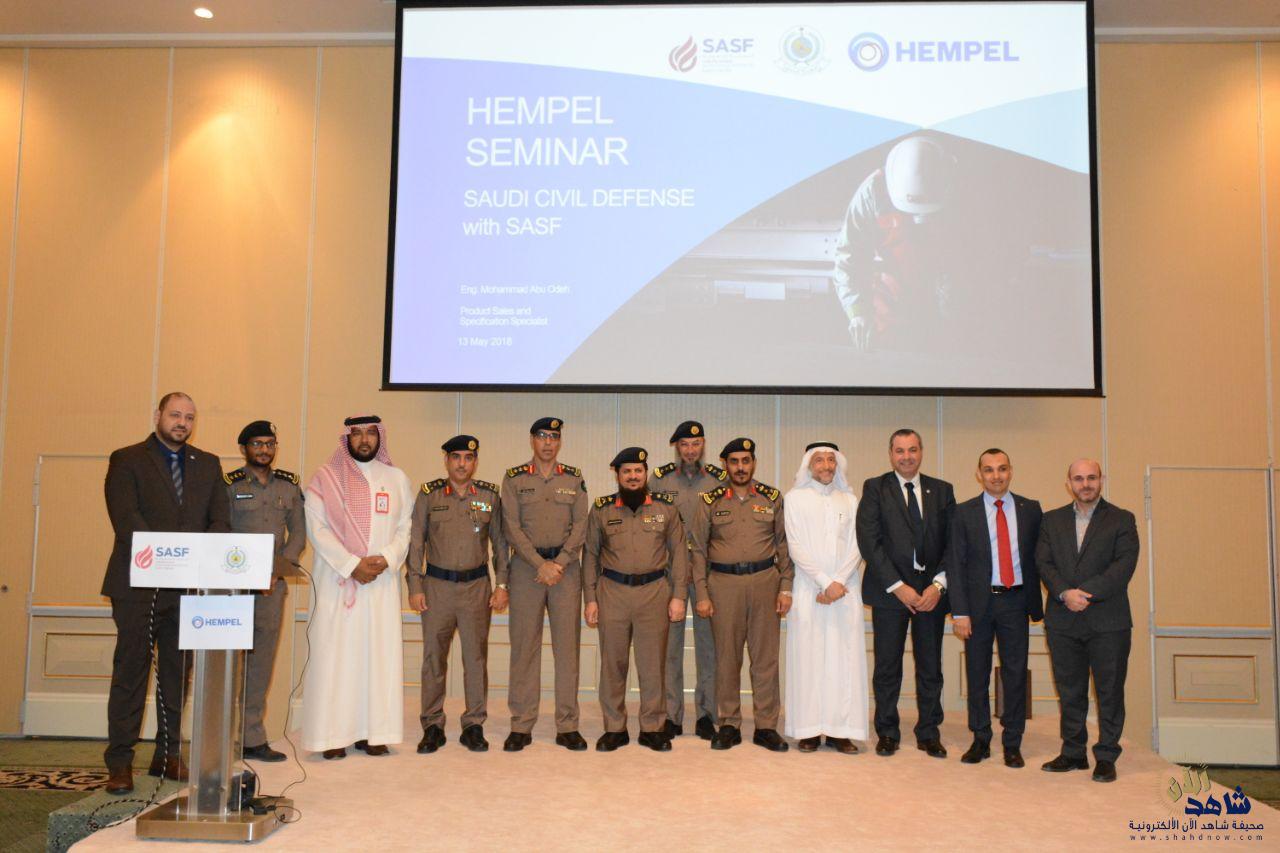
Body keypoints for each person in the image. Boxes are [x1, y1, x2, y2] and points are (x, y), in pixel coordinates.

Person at [101, 392, 230, 795]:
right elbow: (126, 519)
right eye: (175, 415)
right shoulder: (127, 459)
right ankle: (120, 762)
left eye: (189, 417)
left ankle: (168, 754)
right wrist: (169, 556)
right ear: (158, 415)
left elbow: (220, 522)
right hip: (137, 585)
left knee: (177, 672)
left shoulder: (208, 464)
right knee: (131, 673)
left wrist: (196, 560)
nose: (182, 423)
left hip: (187, 587)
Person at [302, 415, 414, 759]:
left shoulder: (396, 479)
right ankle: (332, 737)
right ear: (346, 438)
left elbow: (405, 528)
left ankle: (375, 733)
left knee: (378, 658)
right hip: (338, 584)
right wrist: (352, 565)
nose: (364, 440)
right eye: (357, 434)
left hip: (381, 584)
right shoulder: (325, 479)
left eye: (370, 433)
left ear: (380, 436)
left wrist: (386, 557)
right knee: (336, 659)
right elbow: (317, 530)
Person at [1036, 459, 1139, 783]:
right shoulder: (1051, 520)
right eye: (1079, 478)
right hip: (1063, 620)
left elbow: (1123, 566)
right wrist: (1065, 593)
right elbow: (1043, 562)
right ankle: (1073, 752)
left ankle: (1106, 756)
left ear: (1101, 480)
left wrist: (1085, 594)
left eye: (1091, 477)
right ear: (1069, 483)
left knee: (1109, 692)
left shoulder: (1122, 519)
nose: (1085, 484)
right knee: (1070, 691)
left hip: (1109, 622)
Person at [688, 437, 793, 752]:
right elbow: (698, 551)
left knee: (765, 660)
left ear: (754, 463)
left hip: (764, 583)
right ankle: (729, 724)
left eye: (746, 461)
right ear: (725, 464)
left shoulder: (772, 498)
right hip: (724, 585)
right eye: (734, 462)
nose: (741, 467)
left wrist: (786, 587)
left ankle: (766, 726)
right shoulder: (710, 500)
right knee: (727, 658)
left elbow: (784, 546)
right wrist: (702, 593)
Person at [855, 428, 954, 759]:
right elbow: (869, 541)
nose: (906, 456)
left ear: (921, 452)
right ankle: (887, 731)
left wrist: (938, 586)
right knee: (887, 667)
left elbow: (953, 543)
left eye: (912, 449)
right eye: (900, 450)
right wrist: (899, 587)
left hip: (931, 595)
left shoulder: (942, 490)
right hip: (890, 594)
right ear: (890, 454)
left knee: (930, 667)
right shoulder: (875, 488)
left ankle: (929, 732)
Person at [406, 435, 508, 755]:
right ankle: (432, 725)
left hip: (476, 588)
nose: (462, 463)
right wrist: (414, 586)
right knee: (433, 658)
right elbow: (416, 543)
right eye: (456, 457)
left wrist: (502, 585)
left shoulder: (489, 496)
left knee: (475, 659)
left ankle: (473, 724)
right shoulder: (429, 494)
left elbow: (500, 545)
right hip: (437, 587)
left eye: (468, 458)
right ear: (446, 461)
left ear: (475, 462)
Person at [583, 447, 689, 752]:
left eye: (638, 471)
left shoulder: (665, 508)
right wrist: (590, 599)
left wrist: (678, 596)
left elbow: (680, 555)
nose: (633, 476)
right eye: (627, 471)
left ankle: (652, 727)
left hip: (654, 592)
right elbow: (589, 555)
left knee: (653, 665)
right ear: (617, 475)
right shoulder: (602, 509)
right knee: (613, 664)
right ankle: (614, 728)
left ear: (645, 474)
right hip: (612, 592)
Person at [946, 448, 1042, 768]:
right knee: (977, 673)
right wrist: (960, 612)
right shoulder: (964, 512)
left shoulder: (1031, 509)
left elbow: (1040, 558)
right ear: (979, 474)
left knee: (1015, 673)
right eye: (989, 470)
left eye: (1002, 468)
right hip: (978, 605)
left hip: (1016, 601)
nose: (996, 475)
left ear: (1011, 471)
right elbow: (955, 564)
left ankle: (1012, 742)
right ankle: (981, 739)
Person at [500, 417, 590, 752]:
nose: (548, 442)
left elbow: (581, 525)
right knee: (524, 649)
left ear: (559, 441)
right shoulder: (514, 479)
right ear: (532, 440)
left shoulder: (574, 478)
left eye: (554, 437)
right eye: (542, 436)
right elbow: (511, 527)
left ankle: (568, 725)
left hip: (566, 572)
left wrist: (559, 563)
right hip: (527, 570)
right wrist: (541, 564)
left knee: (567, 651)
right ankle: (521, 724)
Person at [224, 420, 306, 764]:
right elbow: (219, 531)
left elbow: (298, 534)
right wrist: (242, 573)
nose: (264, 450)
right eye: (257, 444)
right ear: (244, 448)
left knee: (260, 664)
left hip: (272, 588)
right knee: (227, 663)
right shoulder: (229, 485)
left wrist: (275, 571)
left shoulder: (288, 486)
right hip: (232, 589)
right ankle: (221, 738)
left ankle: (252, 738)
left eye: (270, 444)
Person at [832, 134, 958, 352]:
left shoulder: (959, 188)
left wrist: (956, 309)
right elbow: (849, 256)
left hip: (948, 280)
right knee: (888, 351)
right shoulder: (873, 193)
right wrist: (857, 312)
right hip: (893, 286)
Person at [784, 442, 867, 754]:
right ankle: (808, 730)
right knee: (808, 660)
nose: (826, 466)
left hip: (845, 592)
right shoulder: (794, 499)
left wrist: (838, 582)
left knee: (843, 662)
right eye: (819, 460)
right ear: (809, 465)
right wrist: (823, 581)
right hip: (809, 590)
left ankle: (839, 731)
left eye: (831, 460)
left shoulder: (850, 499)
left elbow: (858, 544)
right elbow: (795, 546)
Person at [648, 419, 724, 740]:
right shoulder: (659, 479)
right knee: (670, 647)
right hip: (670, 574)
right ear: (676, 447)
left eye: (696, 444)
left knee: (709, 647)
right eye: (685, 444)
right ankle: (672, 715)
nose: (691, 450)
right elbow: (652, 524)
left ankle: (706, 714)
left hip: (707, 574)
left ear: (703, 445)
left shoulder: (719, 480)